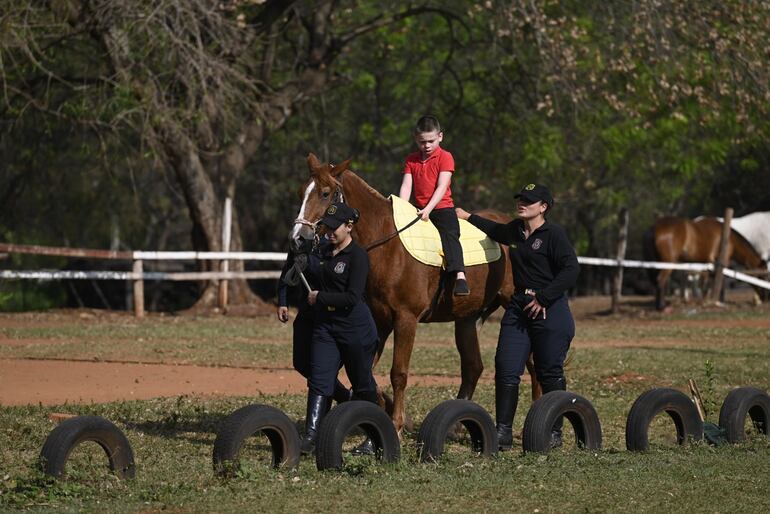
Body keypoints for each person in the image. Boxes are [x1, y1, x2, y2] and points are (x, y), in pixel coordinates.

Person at [456, 183, 579, 450]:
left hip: (550, 309)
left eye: (529, 200)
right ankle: (503, 433)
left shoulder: (553, 234)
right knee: (506, 367)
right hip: (519, 306)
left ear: (543, 207)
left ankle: (554, 430)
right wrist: (468, 217)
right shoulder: (515, 230)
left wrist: (545, 297)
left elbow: (571, 269)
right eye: (521, 198)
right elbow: (495, 230)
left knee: (548, 371)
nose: (522, 203)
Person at [301, 202, 380, 455]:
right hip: (326, 327)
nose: (330, 232)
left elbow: (352, 297)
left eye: (335, 228)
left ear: (349, 227)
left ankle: (373, 438)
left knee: (362, 383)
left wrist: (319, 298)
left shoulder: (358, 257)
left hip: (355, 330)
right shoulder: (324, 251)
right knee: (319, 379)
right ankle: (312, 437)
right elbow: (306, 265)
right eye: (327, 227)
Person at [276, 237, 353, 407]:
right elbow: (288, 269)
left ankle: (321, 422)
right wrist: (283, 301)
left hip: (330, 317)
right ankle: (345, 397)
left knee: (322, 372)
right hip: (307, 312)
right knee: (301, 363)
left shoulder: (339, 244)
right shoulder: (300, 242)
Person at [399, 115, 469, 296]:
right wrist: (401, 207)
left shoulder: (445, 157)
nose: (427, 145)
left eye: (431, 141)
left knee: (450, 234)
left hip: (441, 208)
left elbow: (442, 186)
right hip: (419, 209)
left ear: (440, 137)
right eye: (422, 142)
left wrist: (428, 210)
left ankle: (460, 275)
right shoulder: (411, 159)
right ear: (416, 139)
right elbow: (407, 185)